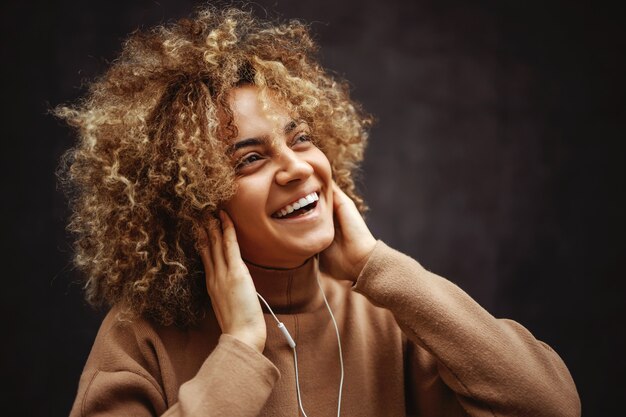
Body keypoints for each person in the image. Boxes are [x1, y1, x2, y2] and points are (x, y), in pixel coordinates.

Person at [57, 6, 581, 417]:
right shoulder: (141, 337)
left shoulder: (389, 312)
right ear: (192, 198)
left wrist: (378, 266)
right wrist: (239, 347)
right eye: (251, 158)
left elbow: (550, 407)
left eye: (301, 139)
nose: (297, 168)